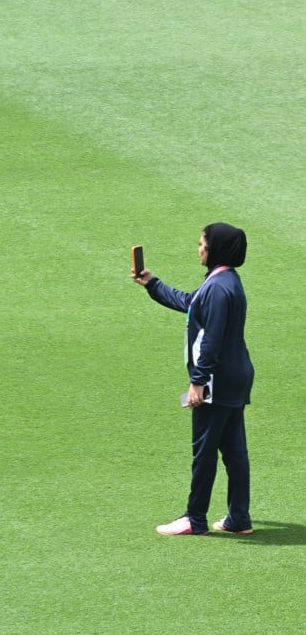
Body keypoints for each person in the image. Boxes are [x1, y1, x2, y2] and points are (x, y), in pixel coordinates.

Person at [133, 223, 254, 536]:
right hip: (235, 378)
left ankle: (194, 519)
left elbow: (211, 339)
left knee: (204, 450)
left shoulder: (217, 288)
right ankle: (238, 518)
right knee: (234, 450)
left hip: (216, 382)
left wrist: (198, 381)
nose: (199, 248)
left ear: (215, 249)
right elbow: (190, 303)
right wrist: (152, 284)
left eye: (203, 243)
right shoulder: (224, 281)